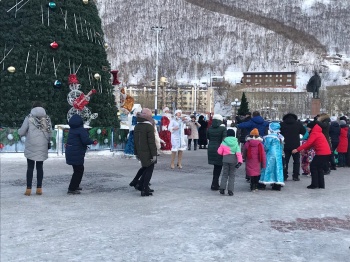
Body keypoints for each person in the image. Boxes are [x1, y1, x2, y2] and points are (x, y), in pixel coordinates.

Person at [18, 101, 52, 196]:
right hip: (42, 145)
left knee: (30, 167)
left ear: (33, 108)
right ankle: (39, 189)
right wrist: (48, 141)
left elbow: (21, 132)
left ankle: (28, 189)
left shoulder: (29, 118)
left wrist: (22, 132)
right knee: (40, 167)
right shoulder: (47, 118)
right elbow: (50, 132)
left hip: (31, 145)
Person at [292, 121, 331, 189]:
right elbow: (312, 144)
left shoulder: (314, 133)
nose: (307, 129)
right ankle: (321, 184)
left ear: (311, 128)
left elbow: (308, 143)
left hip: (322, 153)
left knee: (313, 166)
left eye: (308, 128)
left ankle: (314, 184)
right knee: (319, 168)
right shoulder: (318, 132)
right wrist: (305, 150)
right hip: (326, 153)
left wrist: (297, 149)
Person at [65, 114, 93, 194]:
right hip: (77, 152)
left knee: (77, 169)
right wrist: (92, 141)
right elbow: (85, 141)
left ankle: (76, 185)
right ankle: (72, 188)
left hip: (71, 152)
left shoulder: (72, 129)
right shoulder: (81, 130)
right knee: (79, 170)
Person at [133, 108, 158, 196]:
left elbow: (135, 141)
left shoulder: (137, 126)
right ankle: (144, 189)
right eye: (150, 115)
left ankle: (141, 185)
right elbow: (151, 142)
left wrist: (136, 153)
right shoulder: (148, 126)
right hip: (148, 152)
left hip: (141, 152)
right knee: (149, 170)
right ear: (147, 116)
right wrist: (154, 154)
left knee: (145, 168)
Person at [280, 113, 306, 181]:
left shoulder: (282, 124)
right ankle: (295, 176)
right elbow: (304, 131)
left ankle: (284, 175)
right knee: (296, 161)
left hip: (285, 145)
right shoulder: (298, 124)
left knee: (285, 161)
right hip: (296, 146)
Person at [259, 122, 285, 191]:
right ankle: (277, 184)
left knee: (267, 167)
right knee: (277, 168)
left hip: (270, 154)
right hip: (278, 155)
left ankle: (263, 183)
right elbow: (282, 146)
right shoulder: (280, 137)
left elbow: (266, 147)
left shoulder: (269, 137)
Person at [217, 129, 243, 196]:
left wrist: (224, 151)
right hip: (233, 160)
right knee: (232, 175)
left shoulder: (224, 142)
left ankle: (222, 188)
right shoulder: (236, 142)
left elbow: (219, 152)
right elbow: (238, 153)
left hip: (225, 159)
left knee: (225, 174)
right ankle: (230, 190)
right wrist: (240, 161)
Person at [207, 114, 227, 190]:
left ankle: (214, 183)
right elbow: (224, 139)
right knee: (218, 166)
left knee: (216, 166)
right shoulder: (223, 129)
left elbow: (208, 137)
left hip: (211, 147)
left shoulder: (210, 128)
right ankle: (215, 184)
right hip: (219, 148)